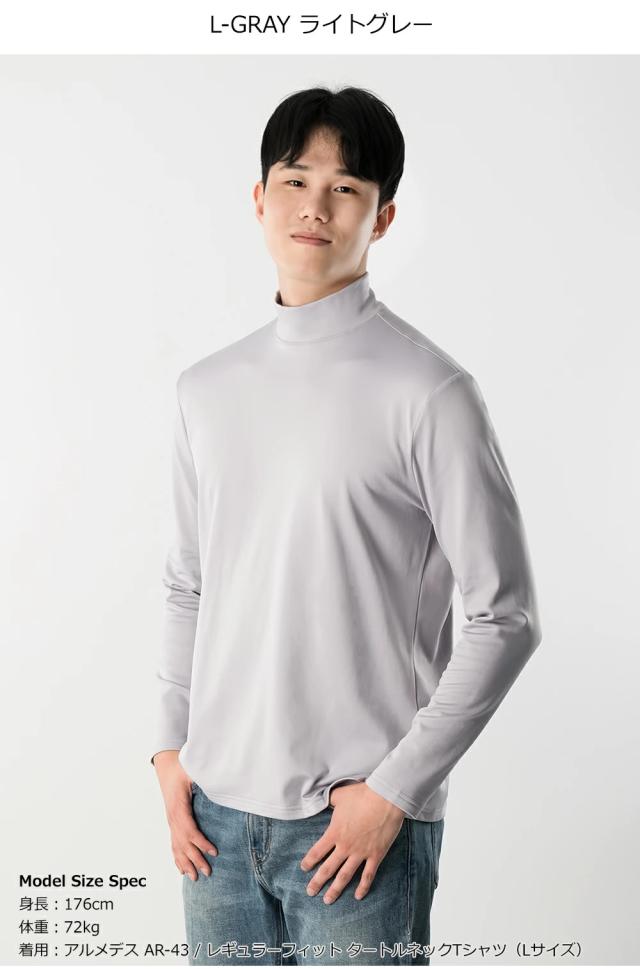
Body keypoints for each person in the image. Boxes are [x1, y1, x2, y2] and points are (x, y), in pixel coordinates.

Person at [150, 85, 542, 966]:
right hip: (213, 823)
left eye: (346, 188)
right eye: (295, 180)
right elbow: (187, 582)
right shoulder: (205, 389)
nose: (314, 207)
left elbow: (506, 617)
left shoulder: (429, 391)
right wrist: (171, 753)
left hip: (355, 828)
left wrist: (395, 791)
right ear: (260, 198)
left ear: (383, 216)